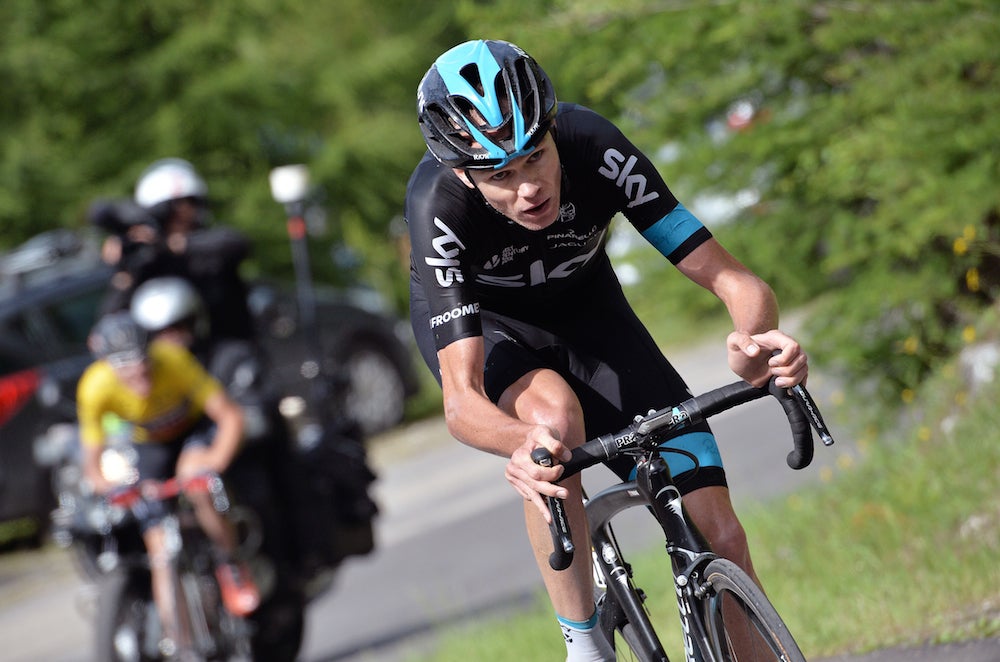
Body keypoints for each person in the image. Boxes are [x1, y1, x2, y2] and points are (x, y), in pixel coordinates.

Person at [405, 40, 808, 661]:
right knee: (553, 425)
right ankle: (586, 644)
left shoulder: (594, 145)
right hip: (494, 331)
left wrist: (754, 340)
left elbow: (736, 282)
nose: (527, 189)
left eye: (535, 157)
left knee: (722, 539)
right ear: (463, 174)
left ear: (553, 131)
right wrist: (518, 444)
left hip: (591, 315)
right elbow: (460, 402)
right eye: (499, 176)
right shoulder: (439, 206)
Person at [77, 311, 260, 652]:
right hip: (150, 443)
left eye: (144, 363)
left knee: (198, 485)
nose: (140, 375)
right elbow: (92, 461)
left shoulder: (173, 360)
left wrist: (215, 460)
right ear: (111, 367)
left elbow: (230, 415)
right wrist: (111, 487)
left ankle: (230, 563)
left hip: (192, 432)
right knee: (158, 547)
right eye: (128, 369)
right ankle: (180, 641)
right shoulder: (95, 387)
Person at [94, 158, 255, 344]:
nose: (183, 210)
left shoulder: (207, 246)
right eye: (173, 206)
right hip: (176, 363)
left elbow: (237, 243)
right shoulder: (148, 258)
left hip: (226, 345)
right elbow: (107, 325)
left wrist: (168, 245)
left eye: (188, 202)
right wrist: (124, 271)